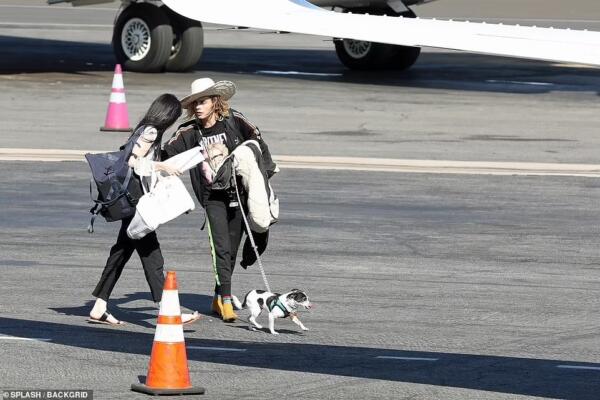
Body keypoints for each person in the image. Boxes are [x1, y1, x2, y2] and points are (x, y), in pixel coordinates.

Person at [163, 78, 276, 322]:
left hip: (239, 195)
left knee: (232, 251)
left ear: (215, 101)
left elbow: (258, 142)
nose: (198, 107)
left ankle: (217, 296)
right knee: (221, 248)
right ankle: (226, 300)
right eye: (195, 104)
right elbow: (166, 153)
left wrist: (264, 176)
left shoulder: (235, 120)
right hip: (212, 197)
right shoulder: (190, 131)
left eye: (202, 101)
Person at [89, 93, 199, 326]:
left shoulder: (144, 129)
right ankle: (168, 310)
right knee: (152, 256)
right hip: (137, 203)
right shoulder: (150, 131)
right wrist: (162, 166)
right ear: (167, 115)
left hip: (132, 203)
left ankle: (99, 306)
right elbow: (132, 161)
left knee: (121, 252)